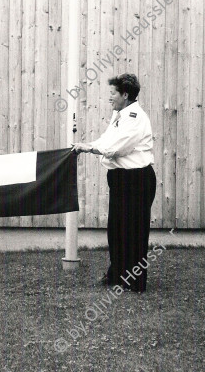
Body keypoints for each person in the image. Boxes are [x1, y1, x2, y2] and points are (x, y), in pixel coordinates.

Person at [72, 73, 156, 292]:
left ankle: (135, 282)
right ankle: (117, 275)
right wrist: (85, 145)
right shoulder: (119, 115)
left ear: (125, 94)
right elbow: (106, 140)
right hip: (120, 179)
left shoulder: (135, 117)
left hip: (136, 180)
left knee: (134, 231)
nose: (109, 98)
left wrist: (89, 149)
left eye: (113, 94)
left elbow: (118, 147)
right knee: (116, 230)